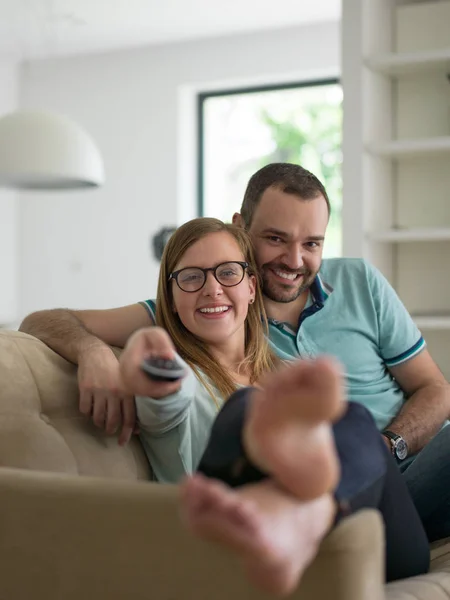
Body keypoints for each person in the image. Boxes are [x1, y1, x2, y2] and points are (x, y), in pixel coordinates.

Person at [19, 163, 450, 542]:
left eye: (312, 243)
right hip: (334, 499)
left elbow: (435, 388)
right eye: (276, 238)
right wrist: (95, 352)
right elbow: (49, 322)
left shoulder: (358, 283)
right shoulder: (203, 307)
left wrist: (387, 446)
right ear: (242, 228)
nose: (294, 260)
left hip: (401, 463)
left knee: (350, 423)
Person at [116, 216, 429, 594]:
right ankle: (283, 516)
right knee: (245, 406)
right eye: (192, 277)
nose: (212, 289)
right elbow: (163, 396)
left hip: (372, 547)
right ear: (171, 298)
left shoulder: (288, 376)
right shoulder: (187, 379)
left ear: (251, 288)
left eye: (227, 273)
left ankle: (301, 516)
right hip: (230, 545)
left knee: (352, 415)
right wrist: (147, 360)